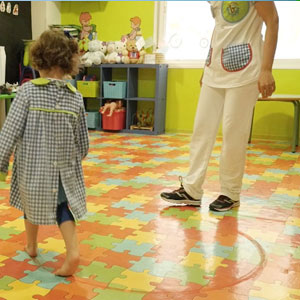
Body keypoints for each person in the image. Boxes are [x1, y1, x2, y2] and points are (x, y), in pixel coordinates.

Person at [161, 1, 278, 212]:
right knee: (201, 129)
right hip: (215, 69)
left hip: (246, 69)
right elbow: (221, 30)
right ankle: (191, 188)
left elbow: (272, 20)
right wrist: (208, 65)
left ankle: (230, 193)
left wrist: (267, 69)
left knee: (234, 132)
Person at [0, 29, 89, 276]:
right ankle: (71, 251)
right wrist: (73, 161)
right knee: (63, 208)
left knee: (30, 201)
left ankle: (31, 245)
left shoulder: (27, 92)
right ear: (68, 62)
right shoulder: (75, 97)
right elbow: (83, 144)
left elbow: (9, 132)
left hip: (32, 167)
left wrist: (1, 164)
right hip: (63, 170)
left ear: (38, 60)